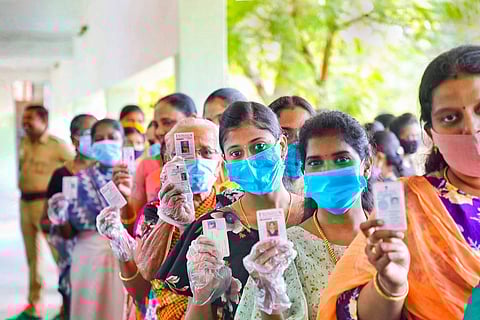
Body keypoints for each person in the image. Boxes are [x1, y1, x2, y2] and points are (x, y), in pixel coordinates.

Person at [318, 45, 480, 320]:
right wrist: (390, 284)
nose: (471, 128)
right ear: (431, 133)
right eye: (450, 118)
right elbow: (349, 312)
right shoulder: (407, 205)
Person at [156, 101, 308, 320]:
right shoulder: (211, 228)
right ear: (225, 161)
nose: (249, 159)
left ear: (282, 146)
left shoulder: (314, 214)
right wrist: (202, 294)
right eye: (236, 153)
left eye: (259, 147)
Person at [97, 117, 244, 319]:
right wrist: (167, 218)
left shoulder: (233, 205)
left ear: (220, 162)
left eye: (206, 152)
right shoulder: (154, 212)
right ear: (166, 162)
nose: (196, 161)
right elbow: (144, 279)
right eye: (184, 153)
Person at [236, 111, 373, 320]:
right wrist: (269, 297)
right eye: (315, 163)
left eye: (342, 159)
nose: (328, 171)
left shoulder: (389, 239)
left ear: (367, 166)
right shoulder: (285, 250)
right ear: (304, 172)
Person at [47, 119, 127, 320]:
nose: (106, 142)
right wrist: (60, 215)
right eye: (99, 139)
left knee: (120, 309)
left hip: (125, 253)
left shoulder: (132, 176)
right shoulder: (78, 181)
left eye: (112, 137)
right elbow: (67, 233)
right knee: (88, 311)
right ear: (91, 144)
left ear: (122, 141)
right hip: (87, 256)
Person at [14, 105, 74, 320]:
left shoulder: (56, 146)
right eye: (24, 119)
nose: (25, 123)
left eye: (30, 119)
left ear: (44, 121)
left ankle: (66, 306)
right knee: (33, 258)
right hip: (25, 204)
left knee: (59, 256)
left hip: (45, 205)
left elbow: (75, 167)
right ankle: (34, 306)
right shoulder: (24, 143)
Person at [42, 114, 97, 320]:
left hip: (101, 253)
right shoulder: (61, 174)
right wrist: (60, 221)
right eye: (88, 134)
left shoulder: (105, 172)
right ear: (74, 139)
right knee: (71, 297)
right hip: (70, 253)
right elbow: (44, 220)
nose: (94, 139)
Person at [131, 93, 197, 219]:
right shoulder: (147, 166)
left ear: (191, 120)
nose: (159, 131)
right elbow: (136, 221)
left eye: (167, 122)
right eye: (156, 125)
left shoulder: (207, 166)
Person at [269, 96, 316, 195]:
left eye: (304, 134)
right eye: (285, 134)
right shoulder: (244, 197)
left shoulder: (326, 199)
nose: (296, 144)